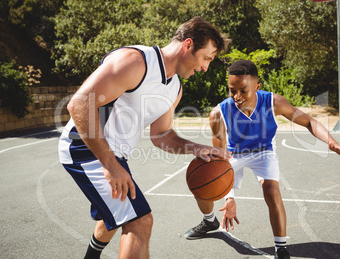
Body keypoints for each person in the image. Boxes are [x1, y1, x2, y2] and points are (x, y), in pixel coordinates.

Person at [58, 17, 231, 259]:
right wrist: (110, 165)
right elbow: (79, 105)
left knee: (117, 217)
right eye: (207, 58)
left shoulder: (174, 88)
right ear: (188, 45)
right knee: (140, 223)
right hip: (84, 149)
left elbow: (161, 135)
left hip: (113, 154)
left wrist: (196, 148)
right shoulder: (136, 62)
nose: (205, 68)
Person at [184, 59, 340, 259]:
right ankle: (210, 220)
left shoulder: (274, 103)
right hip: (233, 154)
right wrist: (229, 198)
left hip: (264, 152)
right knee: (203, 184)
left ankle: (281, 248)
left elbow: (309, 122)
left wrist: (331, 142)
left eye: (243, 90)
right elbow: (221, 159)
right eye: (232, 90)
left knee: (272, 192)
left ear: (257, 86)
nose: (237, 96)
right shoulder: (218, 113)